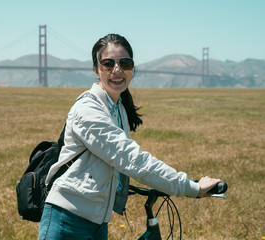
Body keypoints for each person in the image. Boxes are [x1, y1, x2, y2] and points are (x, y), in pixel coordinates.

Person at [38, 33, 221, 240]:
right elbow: (129, 157)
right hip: (67, 221)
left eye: (125, 63)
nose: (117, 70)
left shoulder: (118, 107)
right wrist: (189, 187)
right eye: (108, 64)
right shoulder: (88, 109)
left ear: (133, 68)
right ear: (96, 69)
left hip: (97, 223)